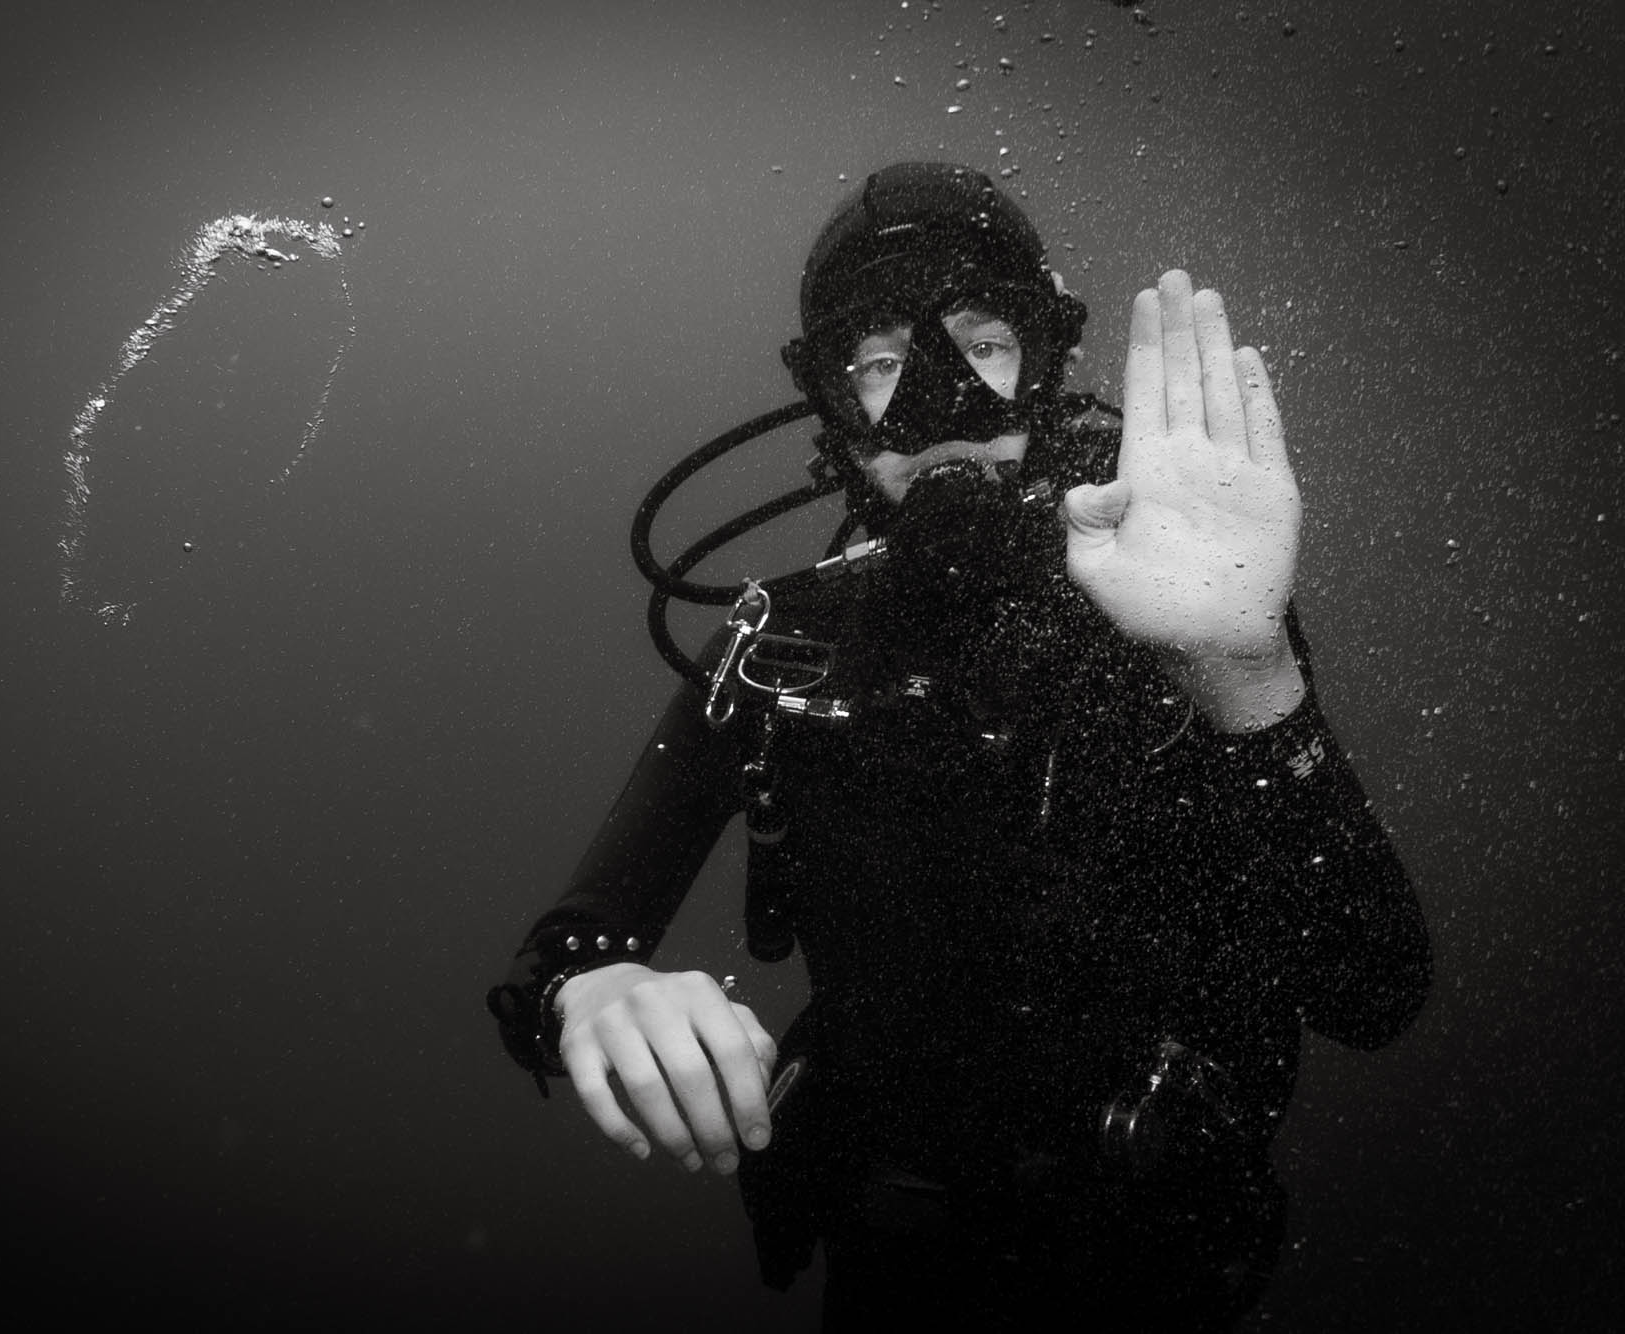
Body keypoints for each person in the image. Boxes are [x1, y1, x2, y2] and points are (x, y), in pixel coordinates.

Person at [486, 162, 1431, 1328]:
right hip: (894, 1284)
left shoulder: (1184, 606)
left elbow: (1374, 988)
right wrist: (595, 990)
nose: (934, 407)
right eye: (880, 365)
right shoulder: (780, 644)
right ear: (827, 403)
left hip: (1163, 1273)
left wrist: (1245, 673)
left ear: (1048, 358)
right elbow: (563, 951)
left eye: (982, 344)